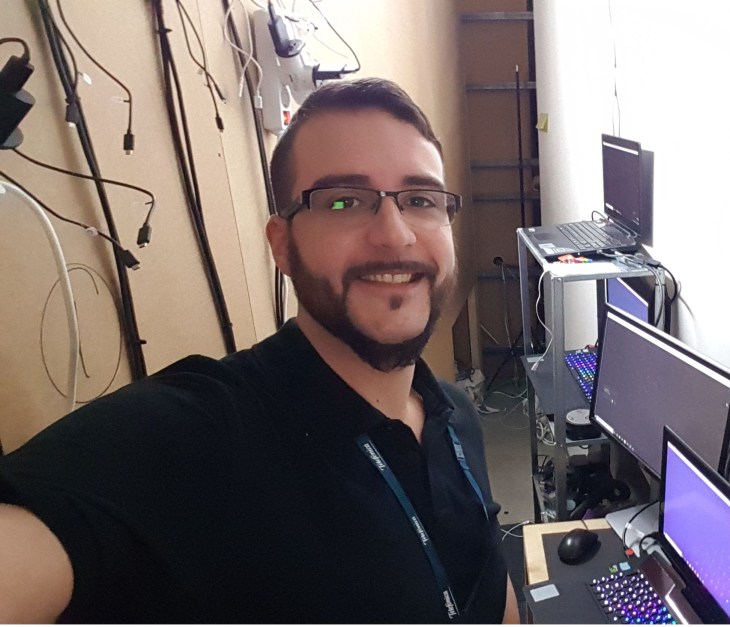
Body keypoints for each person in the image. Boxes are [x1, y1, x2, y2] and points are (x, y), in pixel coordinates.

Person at [0, 77, 519, 623]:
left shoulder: (456, 415)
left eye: (420, 200)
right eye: (343, 201)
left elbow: (488, 583)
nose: (395, 234)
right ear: (282, 245)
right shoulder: (197, 437)